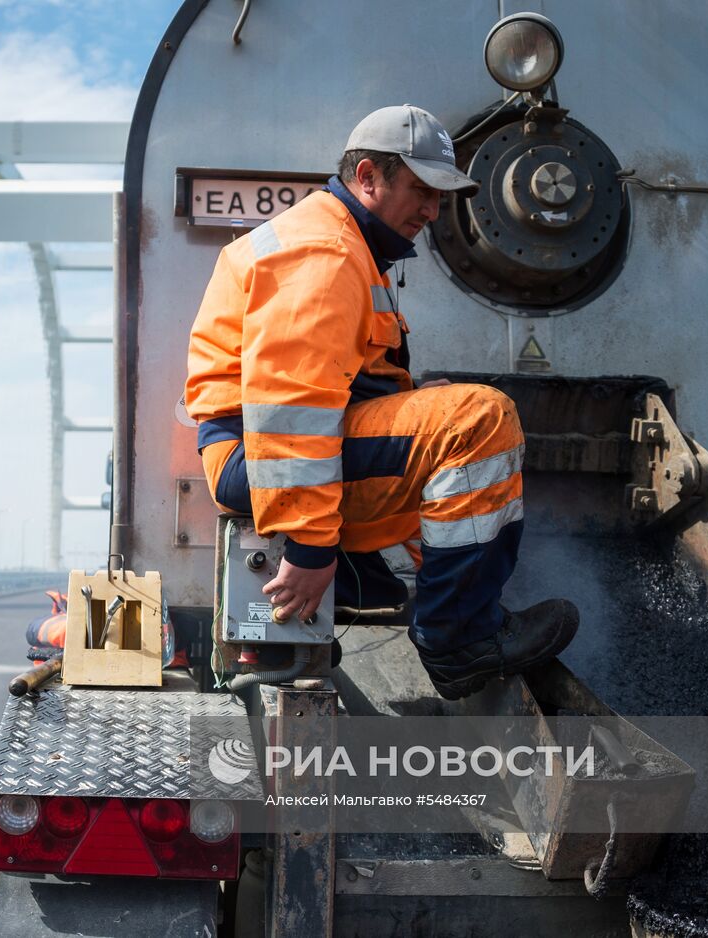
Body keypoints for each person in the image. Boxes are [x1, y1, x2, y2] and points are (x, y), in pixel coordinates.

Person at [184, 104, 578, 699]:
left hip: (263, 451)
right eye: (421, 190)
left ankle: (416, 591)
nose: (431, 210)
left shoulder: (343, 244)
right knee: (479, 419)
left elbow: (342, 390)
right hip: (257, 460)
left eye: (439, 197)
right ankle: (457, 639)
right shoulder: (325, 252)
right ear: (367, 176)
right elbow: (293, 407)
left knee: (447, 414)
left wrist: (419, 402)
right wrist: (312, 549)